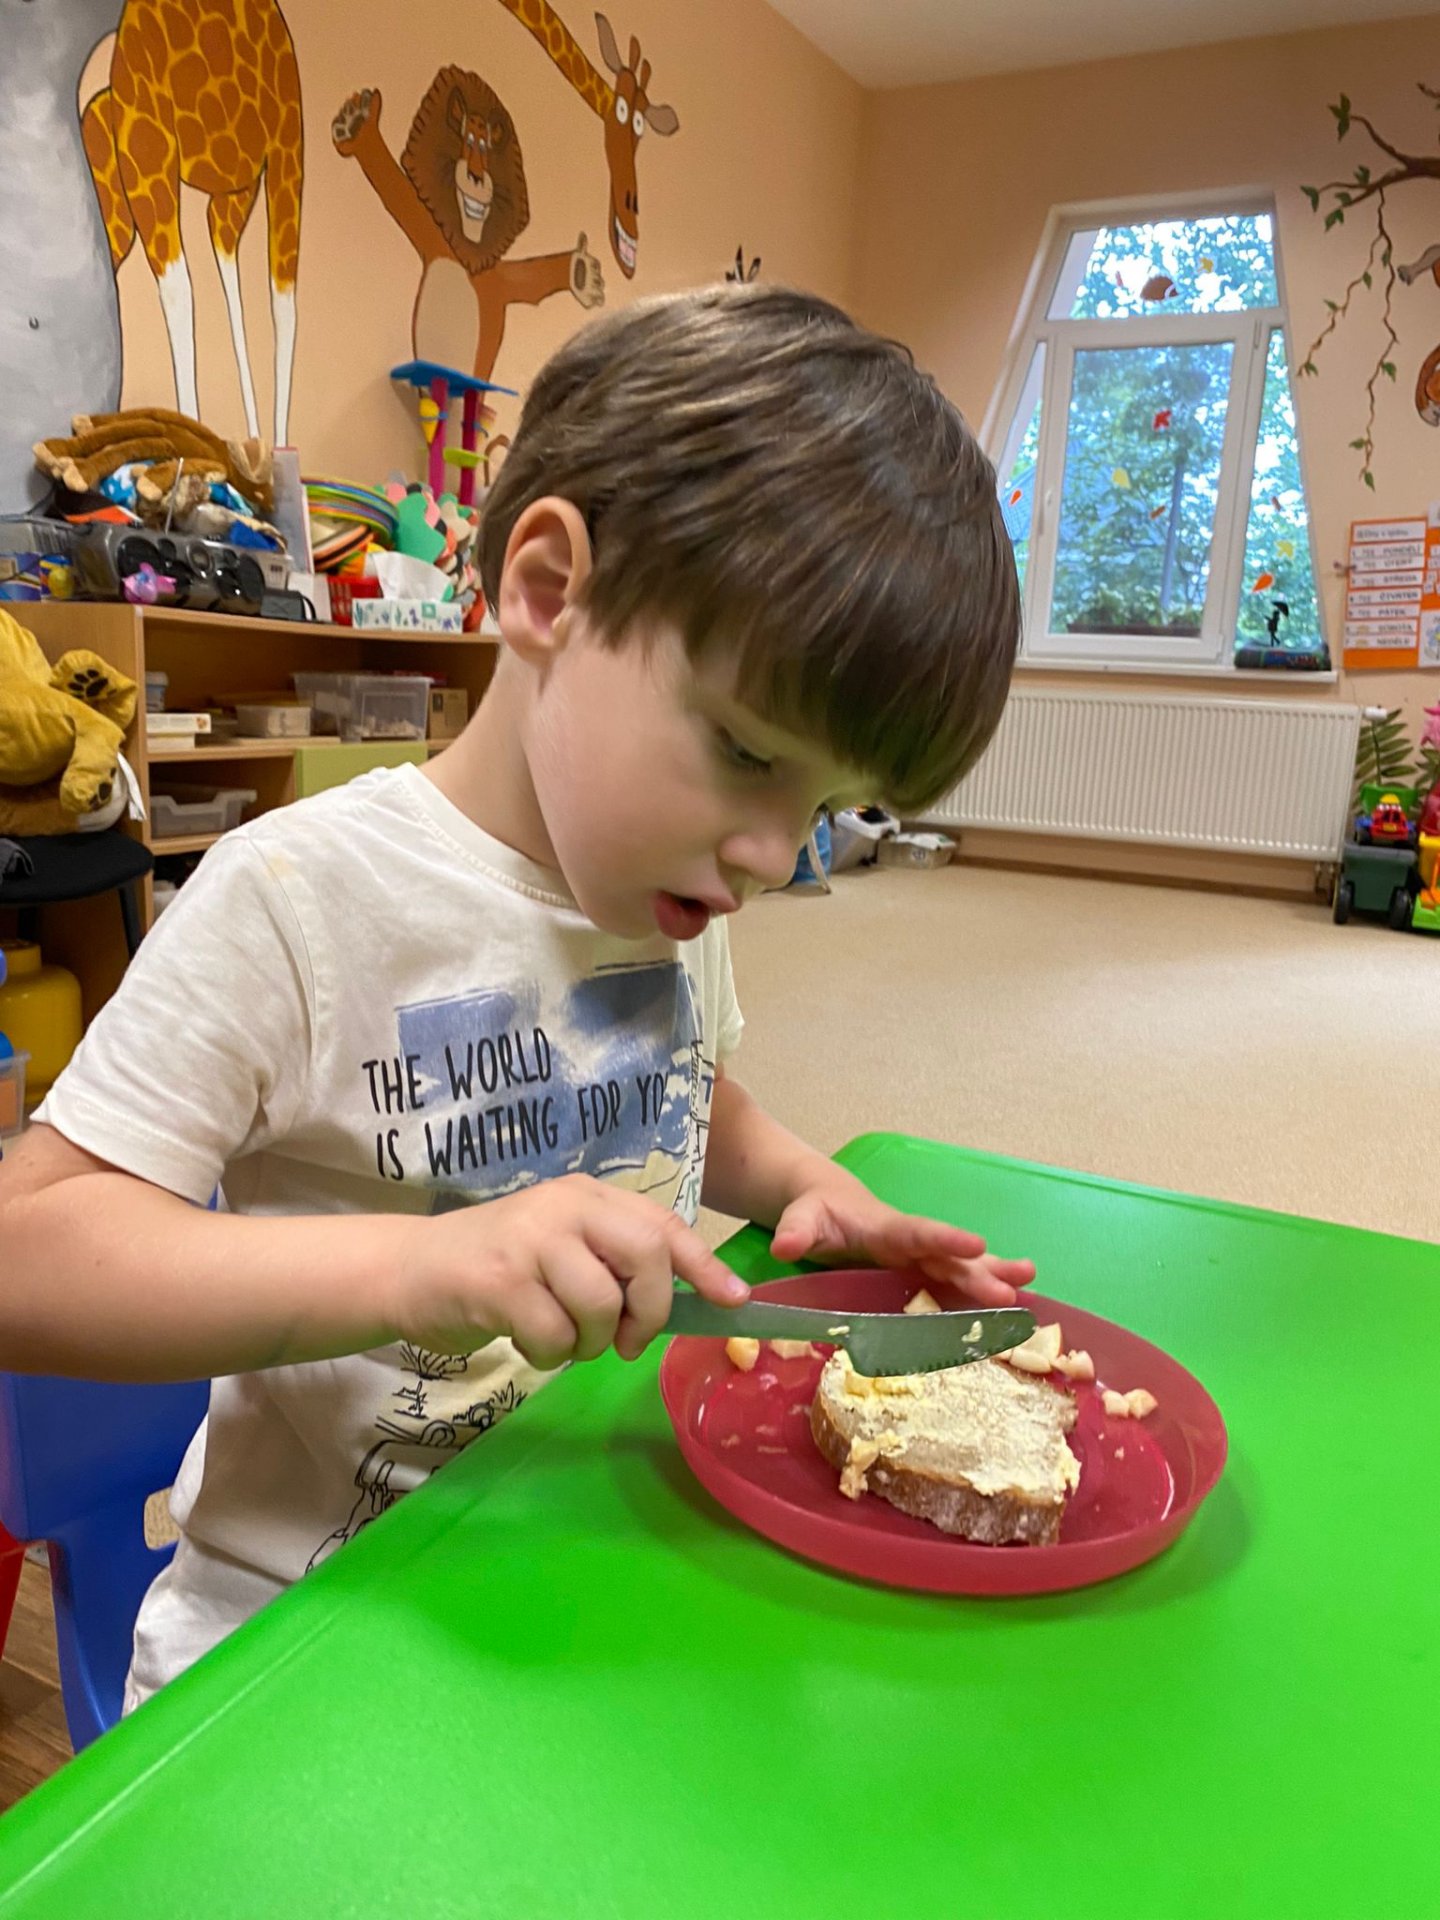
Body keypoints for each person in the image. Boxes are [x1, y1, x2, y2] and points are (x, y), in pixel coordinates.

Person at [0, 284, 1028, 1709]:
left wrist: (802, 1183)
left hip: (578, 1578)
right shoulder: (295, 898)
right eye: (747, 753)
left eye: (825, 804)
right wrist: (416, 1271)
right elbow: (31, 1257)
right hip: (311, 1646)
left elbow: (674, 1090)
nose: (773, 853)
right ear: (548, 590)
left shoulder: (664, 883)